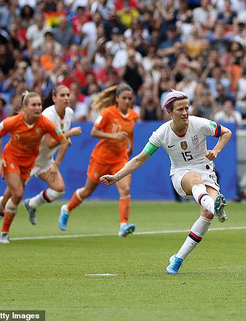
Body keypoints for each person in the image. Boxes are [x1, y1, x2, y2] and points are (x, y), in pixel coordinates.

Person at [99, 90, 231, 275]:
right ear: (169, 112)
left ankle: (178, 259)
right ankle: (216, 207)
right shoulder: (161, 133)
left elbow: (226, 132)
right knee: (195, 180)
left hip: (207, 171)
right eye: (180, 109)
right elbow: (140, 158)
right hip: (181, 174)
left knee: (207, 215)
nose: (185, 113)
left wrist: (215, 151)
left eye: (187, 108)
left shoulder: (199, 123)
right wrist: (117, 176)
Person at [0, 86, 83, 240]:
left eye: (68, 95)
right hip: (26, 160)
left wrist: (55, 165)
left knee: (59, 189)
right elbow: (50, 142)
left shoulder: (67, 113)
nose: (67, 98)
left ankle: (31, 204)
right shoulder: (46, 115)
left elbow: (61, 141)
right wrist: (70, 133)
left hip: (43, 160)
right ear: (54, 98)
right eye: (63, 95)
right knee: (13, 196)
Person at [58, 84, 139, 237]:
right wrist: (113, 136)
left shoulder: (133, 115)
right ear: (117, 99)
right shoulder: (108, 113)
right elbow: (94, 132)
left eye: (130, 98)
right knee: (87, 191)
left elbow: (130, 131)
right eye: (124, 98)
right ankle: (67, 209)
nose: (127, 101)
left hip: (120, 159)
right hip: (101, 158)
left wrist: (131, 146)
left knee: (125, 189)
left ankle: (123, 225)